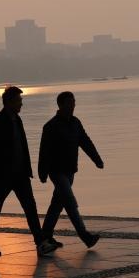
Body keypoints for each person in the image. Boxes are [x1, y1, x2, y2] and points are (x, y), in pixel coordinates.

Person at [0, 86, 57, 257]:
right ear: (9, 102)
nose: (21, 104)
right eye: (19, 101)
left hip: (20, 174)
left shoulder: (17, 120)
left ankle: (40, 243)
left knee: (30, 208)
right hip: (3, 174)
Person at [38, 91, 103, 250]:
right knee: (70, 203)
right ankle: (86, 237)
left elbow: (85, 142)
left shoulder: (75, 123)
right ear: (61, 105)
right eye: (69, 103)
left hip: (70, 171)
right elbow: (44, 151)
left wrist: (97, 159)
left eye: (74, 102)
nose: (73, 105)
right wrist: (42, 172)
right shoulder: (51, 126)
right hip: (56, 172)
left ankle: (46, 235)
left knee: (57, 204)